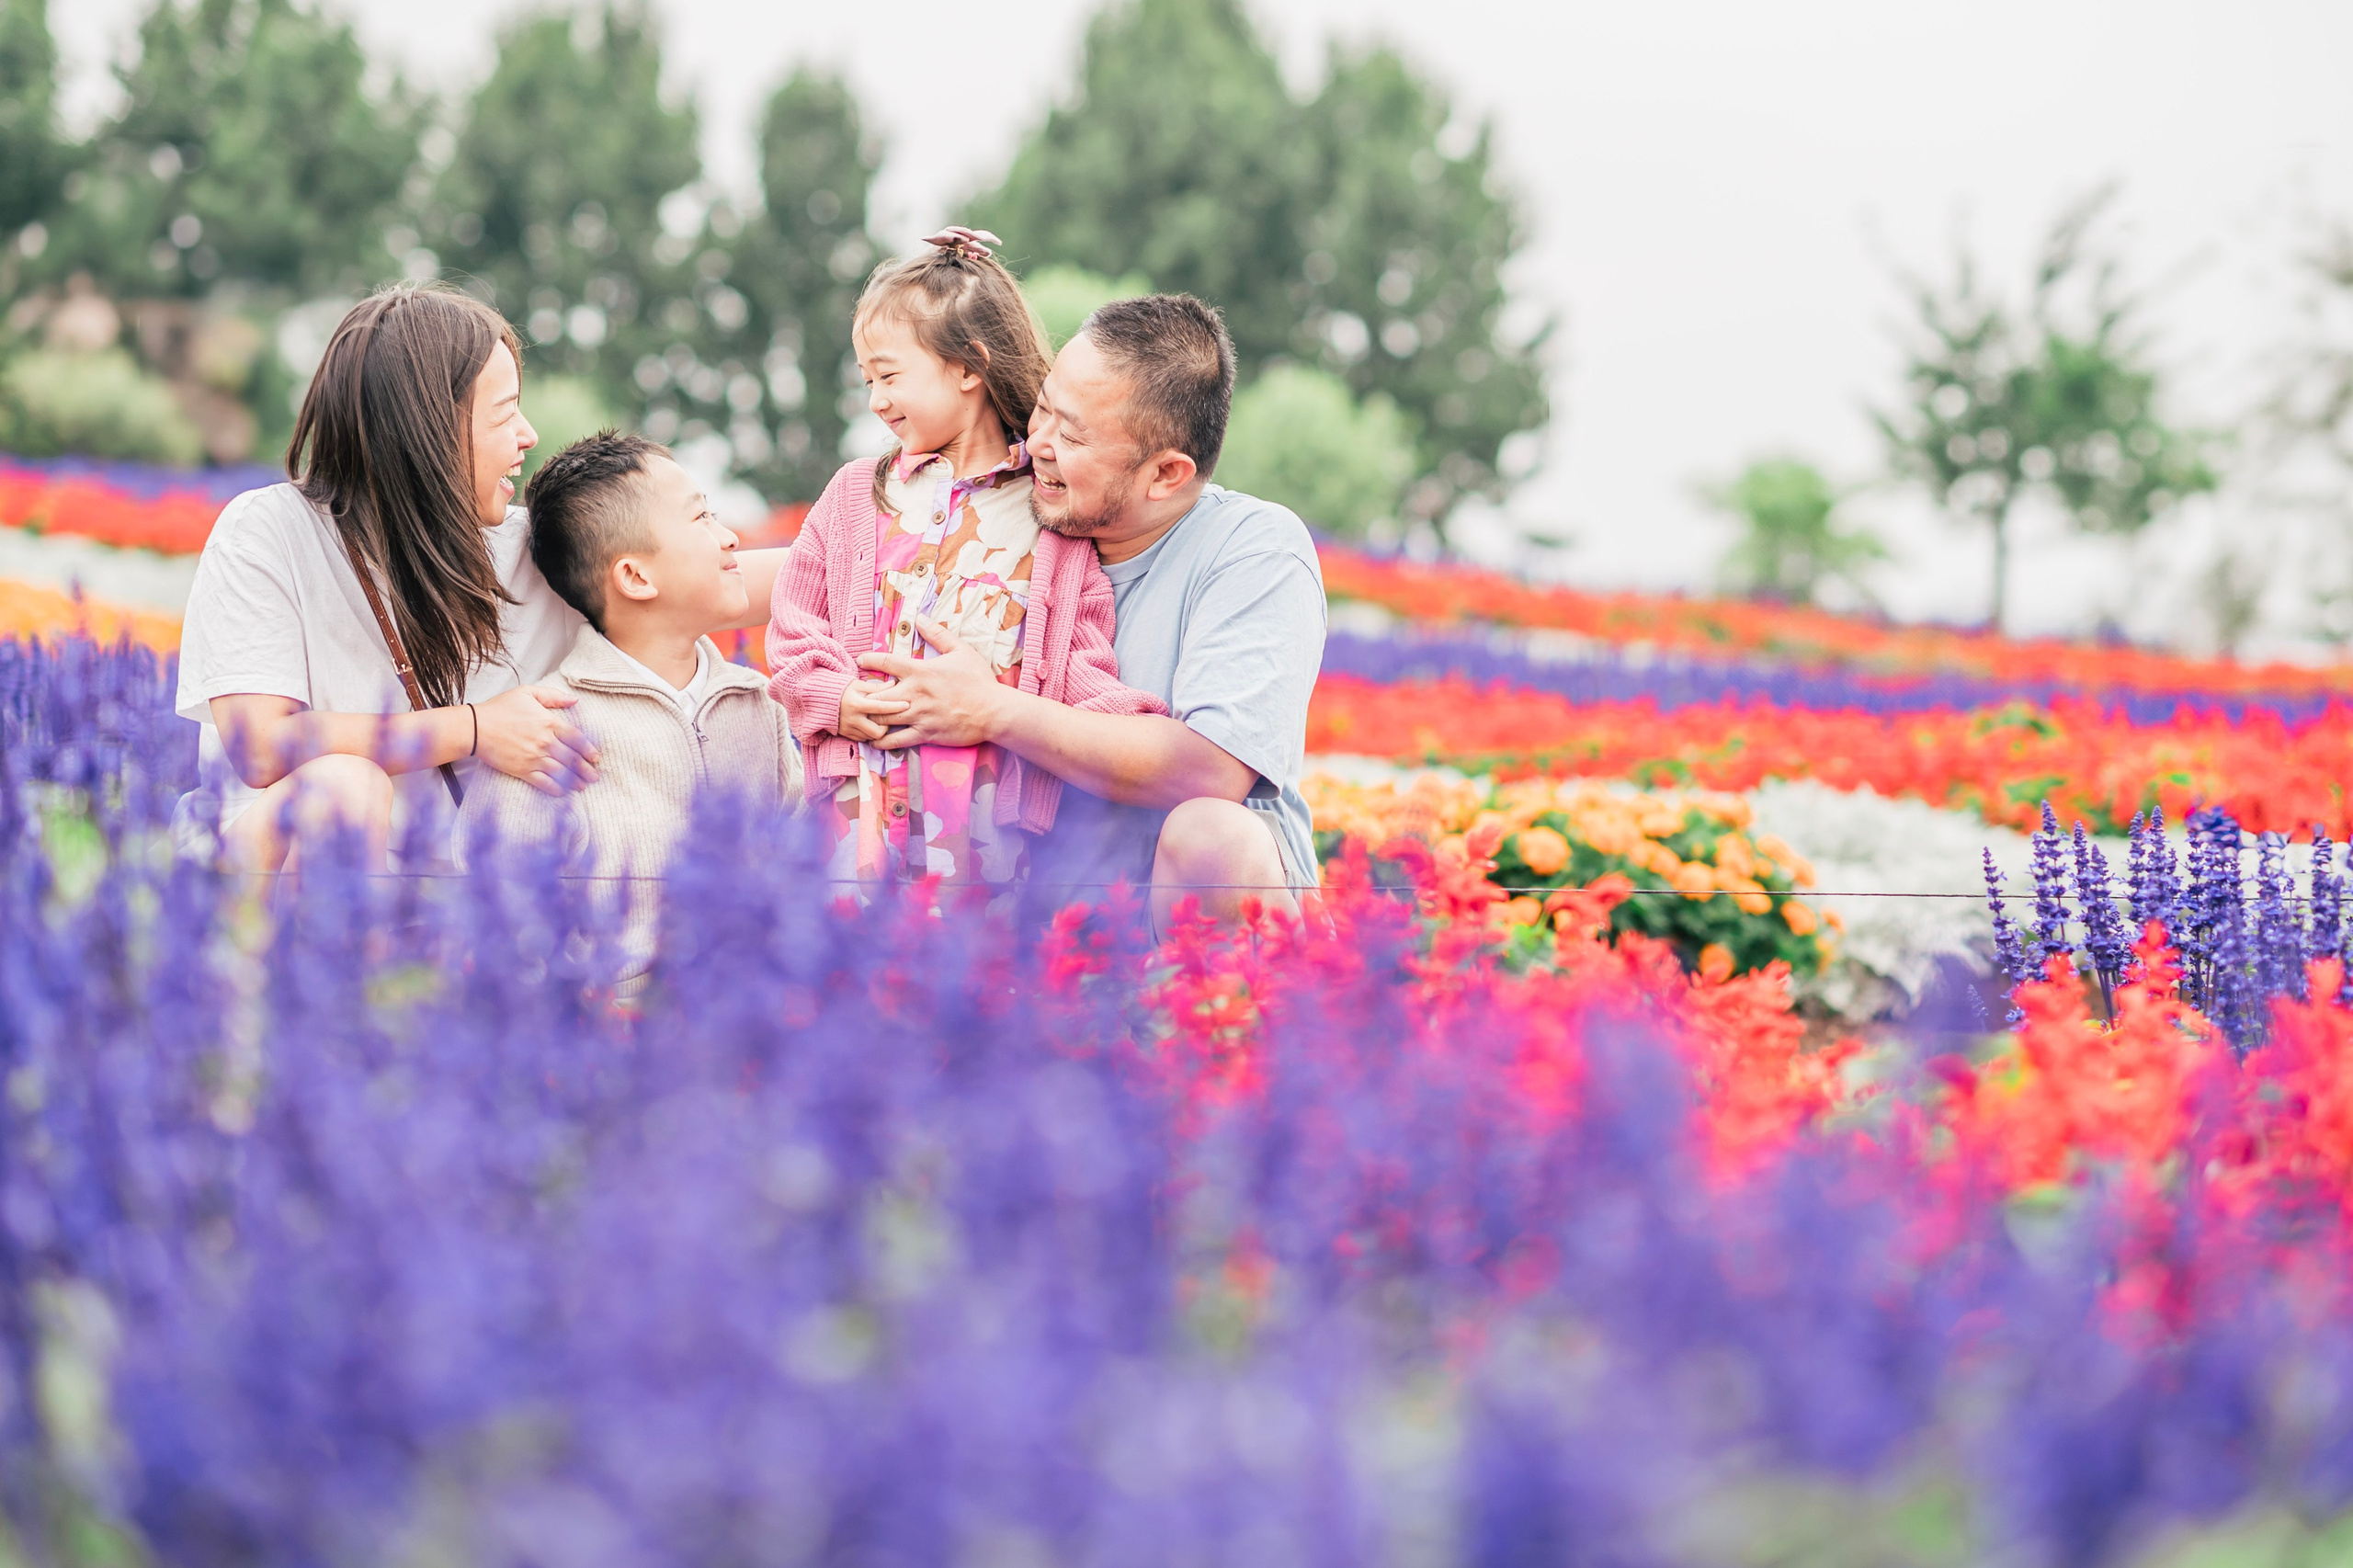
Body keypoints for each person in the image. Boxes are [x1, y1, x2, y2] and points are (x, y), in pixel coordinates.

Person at [172, 283, 790, 872]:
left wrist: (878, 559)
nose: (529, 436)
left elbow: (712, 576)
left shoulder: (523, 547)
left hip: (454, 911)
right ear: (428, 430)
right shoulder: (269, 532)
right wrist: (475, 729)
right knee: (343, 788)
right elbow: (261, 746)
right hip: (271, 897)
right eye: (505, 414)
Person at [848, 294, 1327, 934]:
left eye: (1071, 435)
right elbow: (829, 557)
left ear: (1166, 475)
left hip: (1176, 943)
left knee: (1213, 834)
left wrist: (992, 709)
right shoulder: (1013, 510)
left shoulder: (1253, 548)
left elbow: (1208, 770)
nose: (1036, 443)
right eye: (1043, 408)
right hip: (1033, 936)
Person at [766, 229, 1165, 900]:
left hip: (985, 834)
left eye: (889, 376)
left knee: (968, 988)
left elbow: (1078, 658)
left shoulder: (1051, 516)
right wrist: (835, 699)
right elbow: (795, 620)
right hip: (856, 815)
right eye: (867, 380)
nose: (875, 400)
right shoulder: (856, 496)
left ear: (968, 367)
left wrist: (1135, 740)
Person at [460, 433, 801, 982]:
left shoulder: (758, 707)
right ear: (636, 577)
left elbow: (799, 875)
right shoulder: (546, 733)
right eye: (702, 519)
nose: (731, 538)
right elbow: (508, 933)